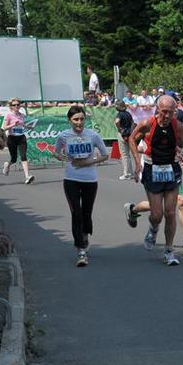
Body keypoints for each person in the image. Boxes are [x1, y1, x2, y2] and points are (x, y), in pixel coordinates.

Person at [128, 95, 183, 265]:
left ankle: (169, 251)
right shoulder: (147, 124)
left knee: (170, 213)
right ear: (157, 109)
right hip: (152, 168)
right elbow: (132, 139)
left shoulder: (177, 126)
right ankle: (153, 228)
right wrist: (137, 163)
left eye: (171, 112)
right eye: (164, 111)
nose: (167, 115)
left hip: (171, 168)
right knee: (157, 215)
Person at [53, 105, 109, 267]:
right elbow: (56, 152)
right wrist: (64, 158)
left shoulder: (93, 135)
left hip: (90, 180)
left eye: (82, 119)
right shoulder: (63, 136)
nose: (79, 122)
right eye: (76, 119)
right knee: (76, 213)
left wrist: (88, 162)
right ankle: (81, 250)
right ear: (69, 120)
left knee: (86, 213)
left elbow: (105, 155)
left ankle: (85, 236)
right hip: (71, 179)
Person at [1, 98, 35, 184]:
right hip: (12, 138)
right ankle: (7, 164)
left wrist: (28, 127)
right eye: (14, 105)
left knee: (23, 156)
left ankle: (27, 177)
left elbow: (22, 124)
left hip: (21, 138)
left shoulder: (22, 115)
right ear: (11, 106)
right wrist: (13, 124)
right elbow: (4, 127)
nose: (16, 106)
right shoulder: (8, 115)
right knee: (14, 159)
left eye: (18, 104)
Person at [114, 100, 135, 180]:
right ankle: (131, 173)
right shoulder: (128, 114)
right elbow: (133, 122)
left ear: (119, 106)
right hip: (129, 133)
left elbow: (117, 122)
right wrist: (131, 131)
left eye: (116, 105)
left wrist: (120, 129)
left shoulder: (119, 114)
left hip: (122, 133)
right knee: (128, 154)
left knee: (124, 154)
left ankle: (126, 173)